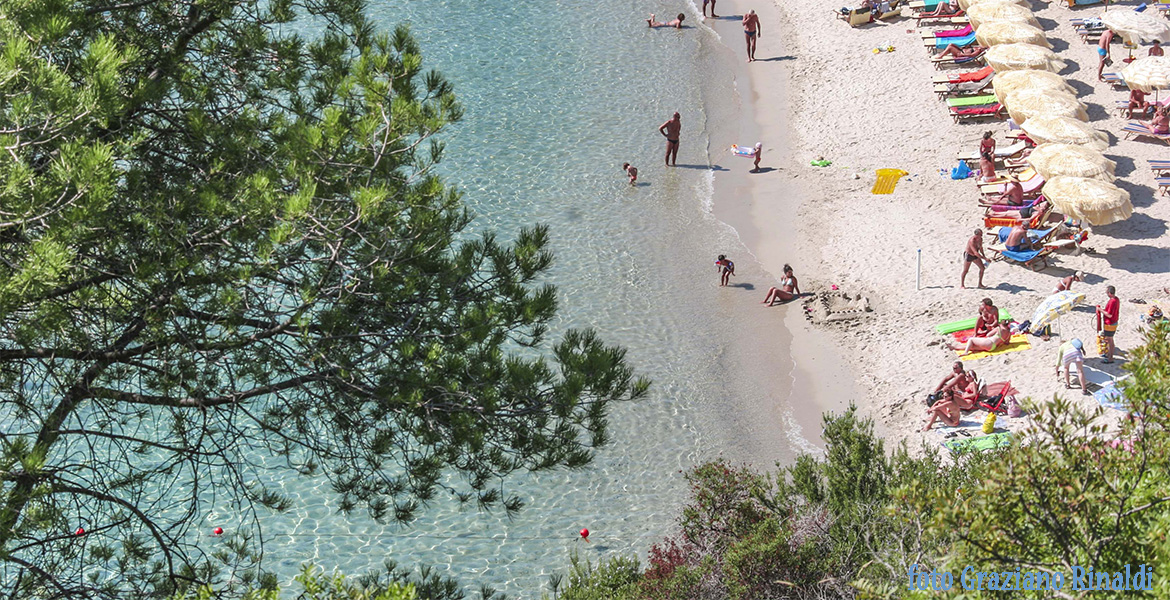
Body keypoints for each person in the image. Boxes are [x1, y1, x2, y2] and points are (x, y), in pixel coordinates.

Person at [1097, 285, 1120, 363]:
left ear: (1109, 293)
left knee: (1110, 341)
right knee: (1110, 340)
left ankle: (1110, 358)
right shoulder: (1116, 299)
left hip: (1110, 323)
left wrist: (1100, 310)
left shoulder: (1112, 301)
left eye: (1107, 292)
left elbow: (1109, 314)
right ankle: (1109, 355)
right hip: (1113, 322)